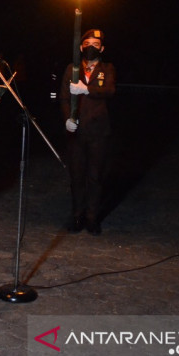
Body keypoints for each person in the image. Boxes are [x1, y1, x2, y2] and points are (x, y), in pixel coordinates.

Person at [59, 28, 116, 236]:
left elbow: (110, 90)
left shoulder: (107, 68)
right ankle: (77, 215)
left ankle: (92, 218)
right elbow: (64, 98)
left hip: (98, 132)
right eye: (87, 44)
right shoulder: (72, 69)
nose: (90, 47)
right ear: (81, 47)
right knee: (76, 176)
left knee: (95, 177)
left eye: (95, 44)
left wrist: (87, 89)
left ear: (102, 48)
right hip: (77, 132)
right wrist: (67, 119)